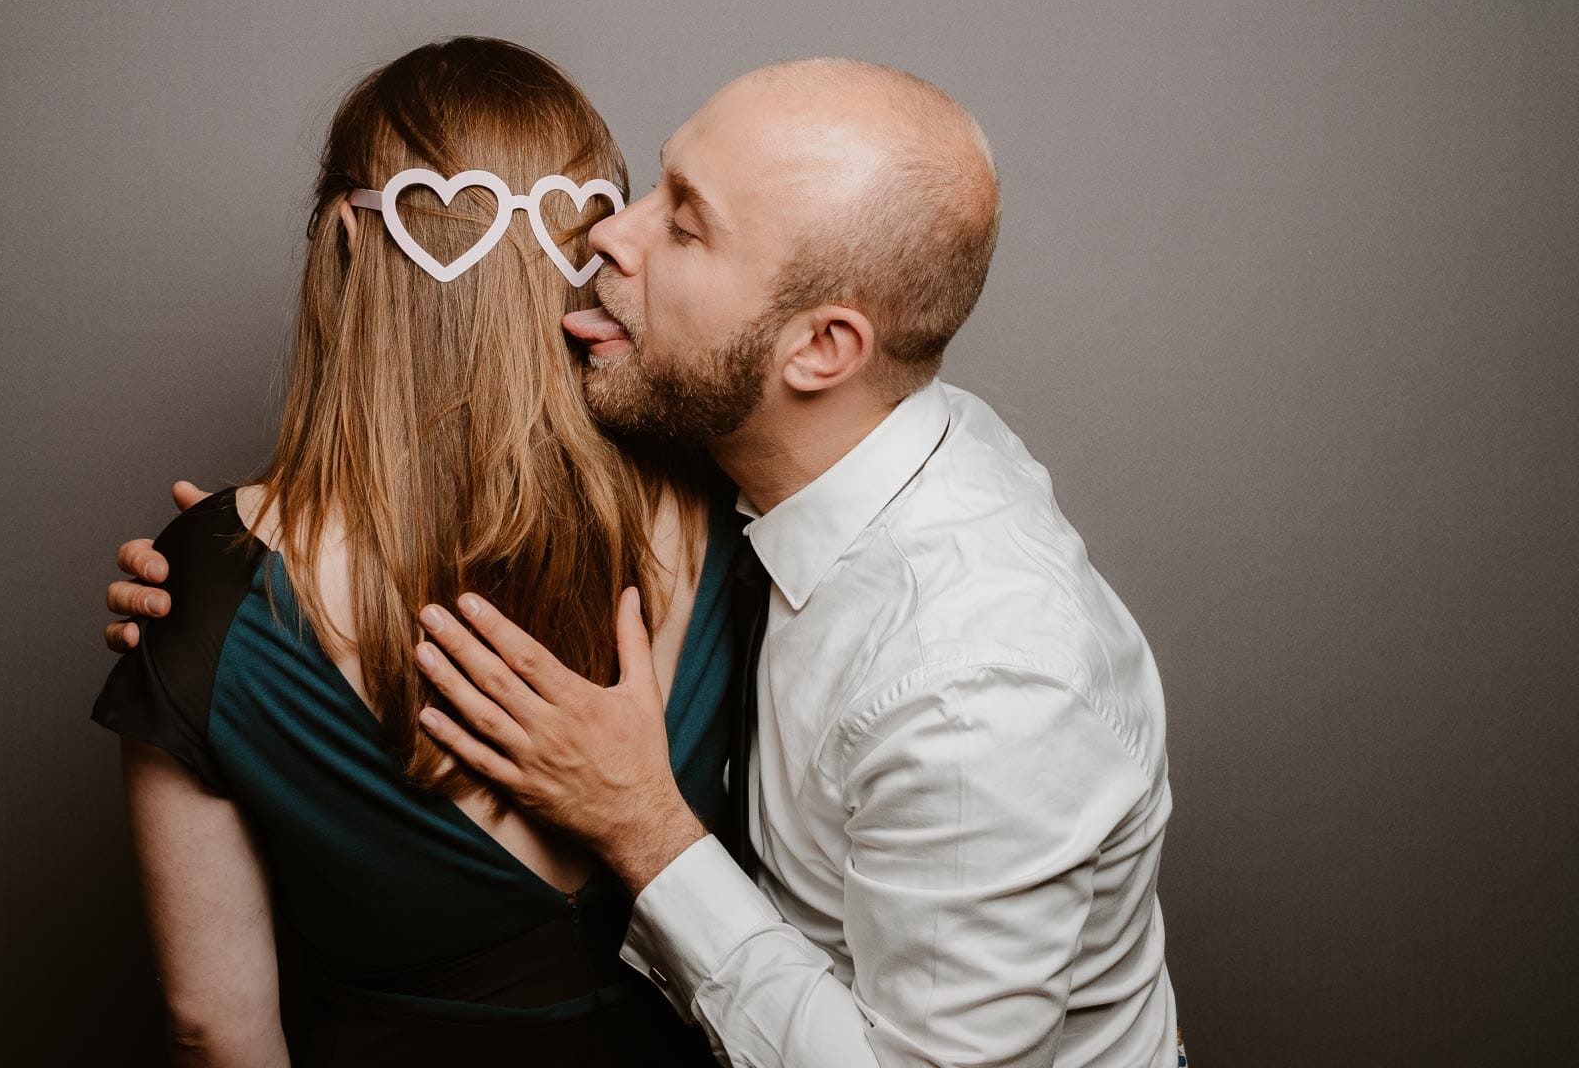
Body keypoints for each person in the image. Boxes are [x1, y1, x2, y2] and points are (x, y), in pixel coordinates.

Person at [112, 59, 1182, 1067]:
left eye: (683, 222)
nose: (603, 236)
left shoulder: (976, 683)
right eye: (653, 182)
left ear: (821, 350)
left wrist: (642, 822)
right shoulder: (784, 468)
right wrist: (225, 580)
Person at [91, 36, 739, 1066]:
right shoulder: (733, 504)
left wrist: (218, 590)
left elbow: (214, 1023)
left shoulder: (206, 587)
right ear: (588, 236)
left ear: (342, 245)